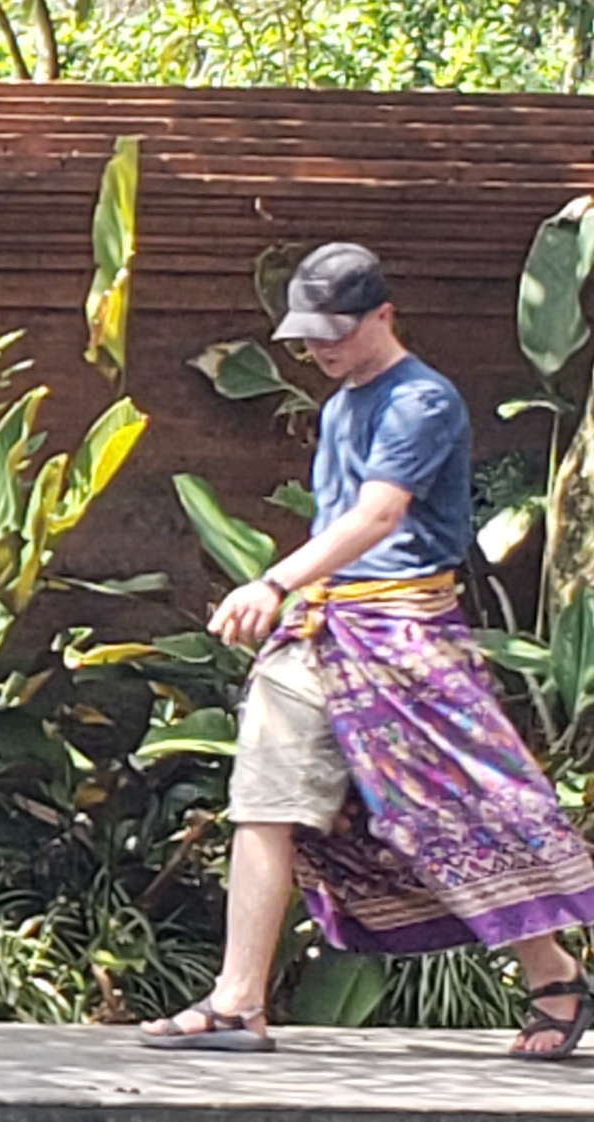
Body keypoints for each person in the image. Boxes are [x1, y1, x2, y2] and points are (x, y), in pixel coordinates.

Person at [143, 242, 594, 1056]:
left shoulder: (422, 402)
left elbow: (378, 517)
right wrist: (294, 599)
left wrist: (272, 583)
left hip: (406, 632)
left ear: (384, 314)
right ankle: (238, 1000)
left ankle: (555, 977)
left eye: (336, 332)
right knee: (264, 799)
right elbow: (336, 527)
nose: (320, 349)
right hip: (321, 631)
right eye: (309, 335)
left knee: (456, 813)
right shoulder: (338, 407)